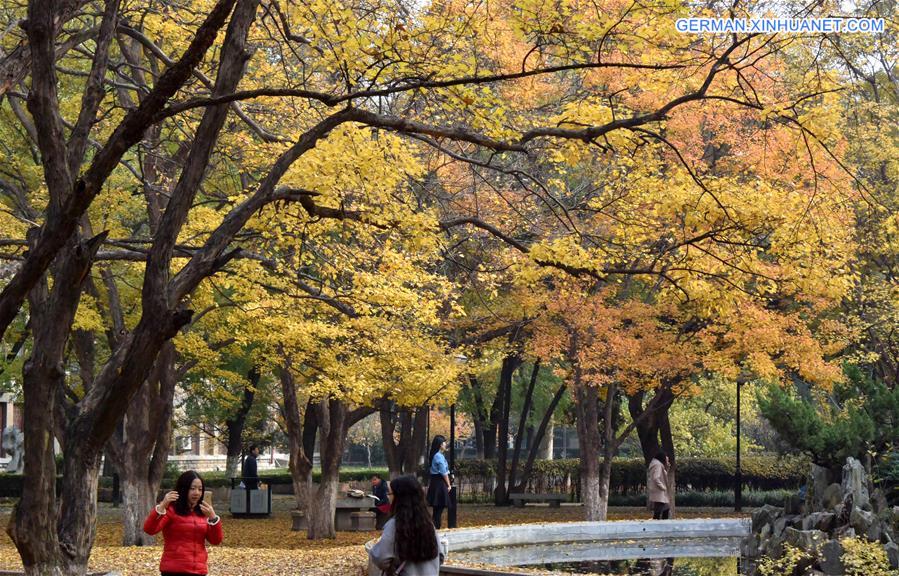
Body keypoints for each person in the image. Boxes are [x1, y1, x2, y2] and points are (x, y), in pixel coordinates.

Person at [144, 470, 222, 576]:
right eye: (192, 488)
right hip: (174, 570)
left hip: (199, 570)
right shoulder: (171, 510)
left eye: (200, 489)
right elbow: (150, 529)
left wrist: (213, 518)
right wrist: (162, 506)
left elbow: (215, 540)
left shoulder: (204, 512)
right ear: (183, 489)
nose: (197, 493)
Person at [368, 475, 445, 576]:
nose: (388, 497)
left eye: (390, 494)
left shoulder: (394, 525)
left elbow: (381, 558)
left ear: (399, 498)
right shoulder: (428, 524)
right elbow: (441, 556)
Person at [426, 435, 452, 528]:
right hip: (439, 484)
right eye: (444, 443)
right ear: (440, 445)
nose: (446, 444)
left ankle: (434, 528)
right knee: (438, 510)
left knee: (437, 510)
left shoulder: (438, 455)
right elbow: (443, 472)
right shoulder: (438, 456)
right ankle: (435, 528)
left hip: (435, 483)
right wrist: (449, 485)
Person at [647, 449, 671, 520]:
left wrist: (667, 466)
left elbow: (663, 474)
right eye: (666, 457)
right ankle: (660, 524)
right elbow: (656, 478)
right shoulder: (658, 465)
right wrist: (662, 487)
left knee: (664, 508)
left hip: (658, 491)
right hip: (659, 491)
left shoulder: (657, 464)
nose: (667, 458)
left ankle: (662, 523)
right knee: (660, 509)